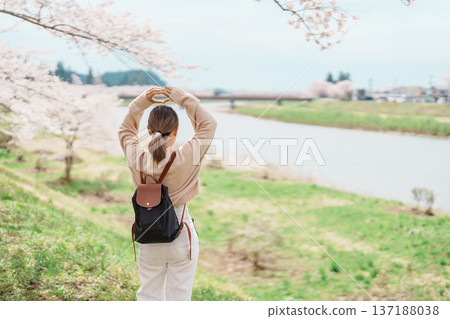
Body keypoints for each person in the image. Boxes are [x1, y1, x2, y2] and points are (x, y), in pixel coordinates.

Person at [118, 86, 217, 301]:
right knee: (179, 299)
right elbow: (208, 124)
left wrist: (143, 101)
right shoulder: (186, 157)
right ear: (176, 131)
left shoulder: (137, 157)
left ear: (149, 131)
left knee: (148, 297)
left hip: (148, 234)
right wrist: (182, 98)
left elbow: (125, 130)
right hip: (181, 233)